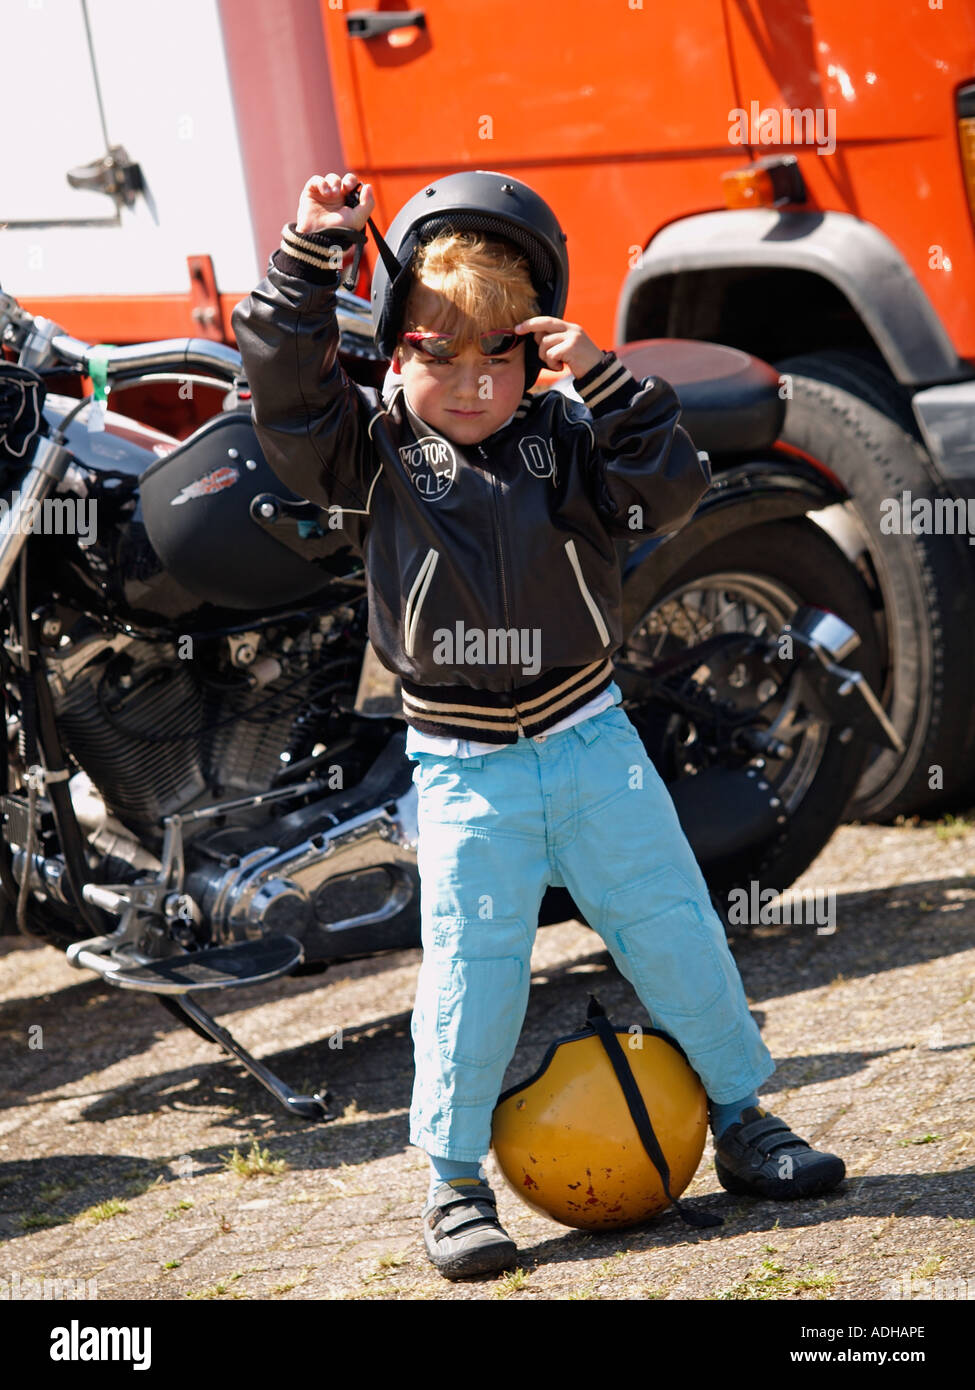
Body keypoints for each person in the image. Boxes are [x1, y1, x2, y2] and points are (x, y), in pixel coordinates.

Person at [231, 168, 846, 1281]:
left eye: (496, 357)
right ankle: (456, 1182)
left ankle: (747, 1119)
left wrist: (607, 383)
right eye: (437, 354)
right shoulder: (365, 454)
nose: (468, 384)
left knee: (677, 930)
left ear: (536, 352)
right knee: (471, 971)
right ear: (395, 350)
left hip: (593, 741)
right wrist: (313, 250)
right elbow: (281, 386)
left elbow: (671, 491)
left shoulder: (570, 436)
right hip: (464, 771)